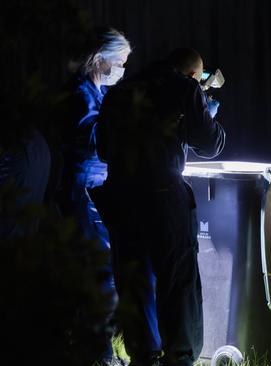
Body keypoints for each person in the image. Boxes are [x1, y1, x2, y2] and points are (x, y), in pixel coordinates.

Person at [93, 48, 225, 366]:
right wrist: (205, 113)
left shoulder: (120, 92)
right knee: (178, 279)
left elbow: (104, 151)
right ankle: (180, 357)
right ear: (193, 75)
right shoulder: (184, 88)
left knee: (134, 278)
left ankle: (144, 355)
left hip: (122, 197)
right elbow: (210, 145)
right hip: (164, 195)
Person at [58, 27, 144, 366]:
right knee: (100, 272)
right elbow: (92, 139)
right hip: (84, 191)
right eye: (119, 62)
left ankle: (92, 347)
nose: (122, 69)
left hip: (96, 189)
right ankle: (99, 353)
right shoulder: (81, 94)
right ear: (101, 59)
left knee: (102, 271)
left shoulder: (98, 93)